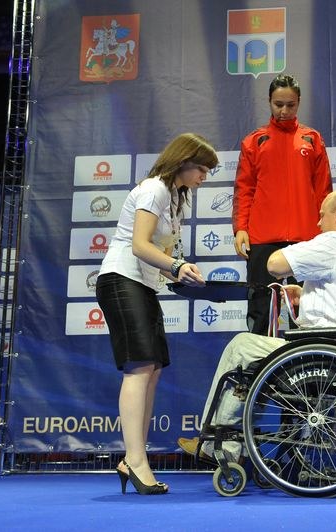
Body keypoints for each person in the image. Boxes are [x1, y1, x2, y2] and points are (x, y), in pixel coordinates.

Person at [178, 189, 336, 461]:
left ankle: (219, 447)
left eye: (321, 216)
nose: (318, 224)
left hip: (318, 351)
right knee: (253, 356)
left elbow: (275, 264)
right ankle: (233, 444)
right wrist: (305, 294)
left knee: (241, 346)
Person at [96, 133, 218, 494]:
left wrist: (181, 273)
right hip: (121, 280)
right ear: (183, 161)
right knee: (139, 368)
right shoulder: (155, 189)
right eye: (203, 169)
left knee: (153, 370)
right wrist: (177, 264)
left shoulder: (176, 198)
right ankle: (135, 460)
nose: (205, 177)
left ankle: (131, 458)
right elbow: (138, 246)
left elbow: (158, 255)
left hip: (143, 284)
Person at [233, 74, 333, 334]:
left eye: (290, 104)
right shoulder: (254, 141)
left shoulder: (312, 139)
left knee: (309, 306)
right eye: (278, 104)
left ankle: (309, 361)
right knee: (261, 306)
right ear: (269, 101)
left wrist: (328, 231)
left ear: (299, 102)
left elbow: (324, 190)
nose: (284, 111)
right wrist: (240, 228)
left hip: (308, 236)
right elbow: (244, 189)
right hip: (263, 236)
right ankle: (259, 366)